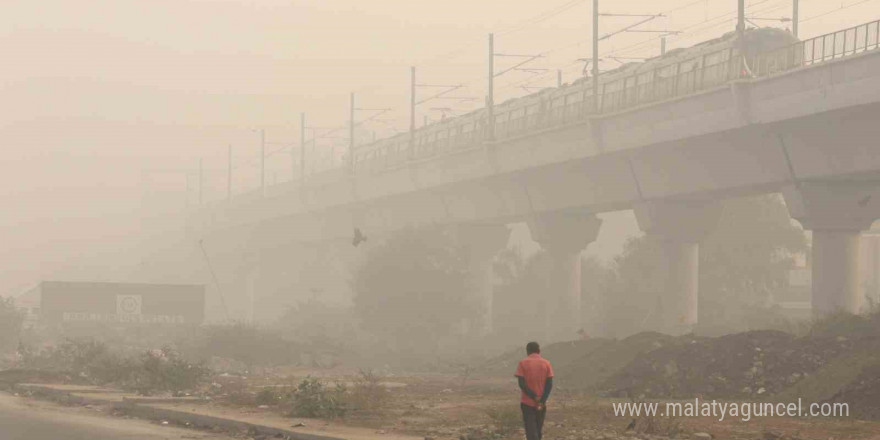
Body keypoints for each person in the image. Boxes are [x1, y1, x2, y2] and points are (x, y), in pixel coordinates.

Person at [514, 341, 554, 440]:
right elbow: (549, 384)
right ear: (539, 351)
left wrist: (534, 396)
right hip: (541, 404)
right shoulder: (546, 363)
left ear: (527, 351)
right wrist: (542, 400)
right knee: (538, 429)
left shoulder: (522, 363)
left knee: (530, 430)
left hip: (527, 403)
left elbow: (522, 384)